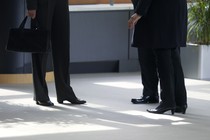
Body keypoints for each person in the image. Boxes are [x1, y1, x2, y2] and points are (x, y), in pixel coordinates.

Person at [128, 0, 188, 114]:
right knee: (173, 56)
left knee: (163, 56)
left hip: (161, 10)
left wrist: (139, 12)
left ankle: (168, 101)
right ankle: (180, 102)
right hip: (174, 9)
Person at [26, 0, 86, 106]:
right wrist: (31, 5)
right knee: (40, 47)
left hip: (61, 2)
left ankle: (65, 92)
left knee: (63, 45)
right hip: (42, 4)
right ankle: (41, 95)